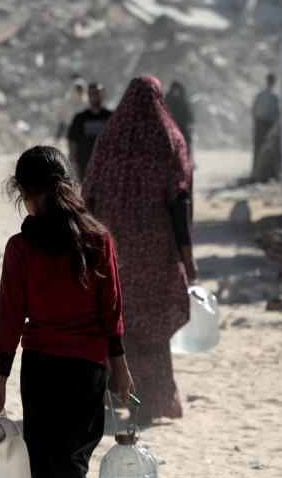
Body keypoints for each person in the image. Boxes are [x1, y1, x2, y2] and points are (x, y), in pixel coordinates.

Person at [0, 145, 134, 478]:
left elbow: (9, 314)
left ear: (25, 193)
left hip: (41, 365)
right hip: (87, 365)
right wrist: (119, 366)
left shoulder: (21, 246)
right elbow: (112, 311)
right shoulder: (97, 239)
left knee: (43, 458)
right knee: (74, 457)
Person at [82, 75, 196, 421]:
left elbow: (90, 195)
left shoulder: (110, 139)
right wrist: (187, 255)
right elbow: (179, 200)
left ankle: (115, 398)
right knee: (152, 328)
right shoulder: (169, 138)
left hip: (112, 252)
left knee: (116, 324)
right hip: (156, 252)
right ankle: (152, 402)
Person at [66, 81, 112, 182]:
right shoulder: (80, 119)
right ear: (88, 95)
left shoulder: (111, 117)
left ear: (103, 94)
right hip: (84, 169)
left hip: (106, 169)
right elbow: (73, 143)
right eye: (92, 93)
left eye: (98, 93)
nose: (95, 96)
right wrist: (72, 168)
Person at [252, 73, 280, 174]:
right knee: (265, 147)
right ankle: (261, 172)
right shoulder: (274, 98)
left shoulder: (261, 96)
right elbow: (276, 114)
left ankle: (258, 171)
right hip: (266, 124)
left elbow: (254, 110)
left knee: (259, 147)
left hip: (261, 123)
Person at [164, 80, 193, 154]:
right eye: (174, 90)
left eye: (177, 90)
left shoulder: (184, 101)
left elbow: (189, 114)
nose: (176, 92)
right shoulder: (167, 100)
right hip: (170, 128)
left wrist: (189, 123)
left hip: (183, 127)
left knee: (186, 144)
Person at [56, 76, 87, 141]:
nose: (79, 90)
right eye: (77, 88)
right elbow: (65, 111)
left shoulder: (85, 100)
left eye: (80, 89)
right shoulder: (69, 98)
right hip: (68, 122)